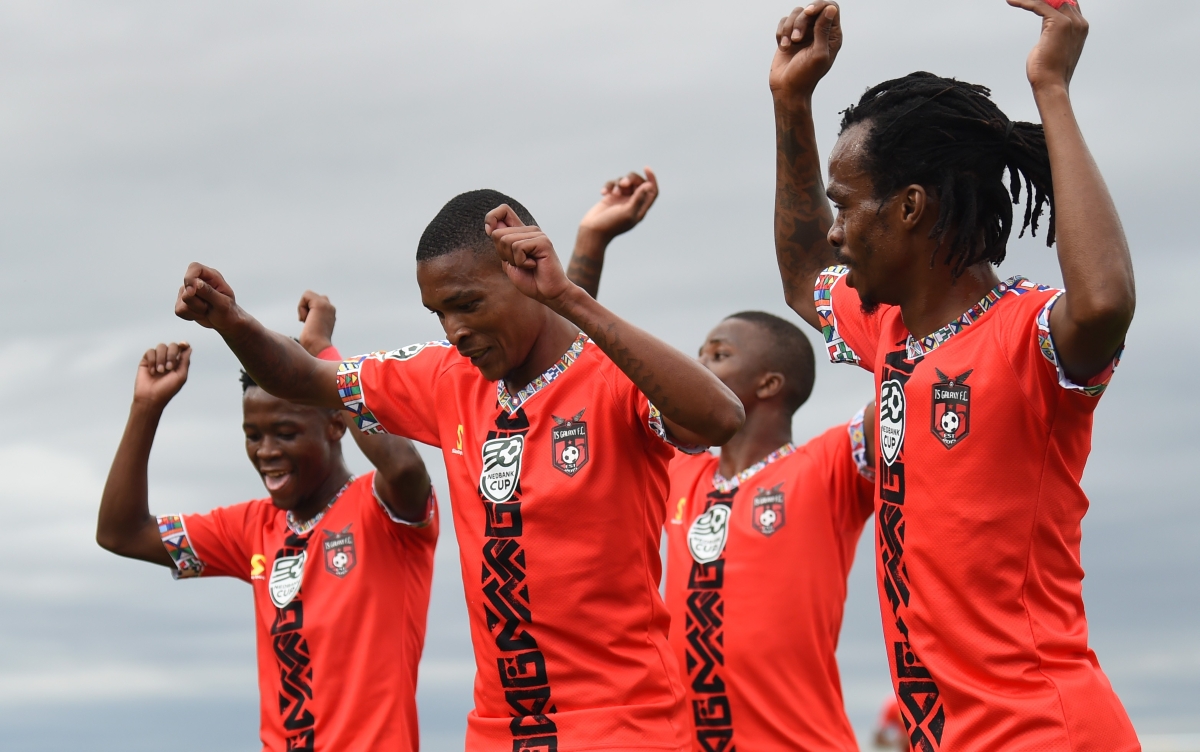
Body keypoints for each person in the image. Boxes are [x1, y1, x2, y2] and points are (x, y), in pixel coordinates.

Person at [171, 191, 745, 751]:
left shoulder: (614, 375)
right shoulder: (445, 378)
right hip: (497, 733)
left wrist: (568, 298)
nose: (453, 330)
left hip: (625, 726)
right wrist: (232, 322)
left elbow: (720, 417)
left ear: (526, 276)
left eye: (467, 305)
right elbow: (305, 379)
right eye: (439, 313)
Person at [770, 1, 1137, 750]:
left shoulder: (1028, 337)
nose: (835, 230)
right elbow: (805, 271)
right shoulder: (888, 329)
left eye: (845, 205)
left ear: (908, 209)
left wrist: (1052, 89)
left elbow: (1103, 302)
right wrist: (790, 103)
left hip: (1045, 730)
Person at [567, 169, 876, 750]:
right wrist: (590, 242)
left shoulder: (828, 466)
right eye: (700, 352)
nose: (698, 365)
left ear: (769, 382)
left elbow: (913, 380)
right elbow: (571, 374)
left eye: (719, 354)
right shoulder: (678, 468)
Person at [97, 291, 438, 752]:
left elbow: (403, 467)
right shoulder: (252, 529)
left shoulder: (381, 511)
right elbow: (121, 532)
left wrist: (321, 353)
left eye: (286, 432)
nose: (266, 452)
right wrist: (146, 407)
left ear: (336, 424)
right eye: (253, 435)